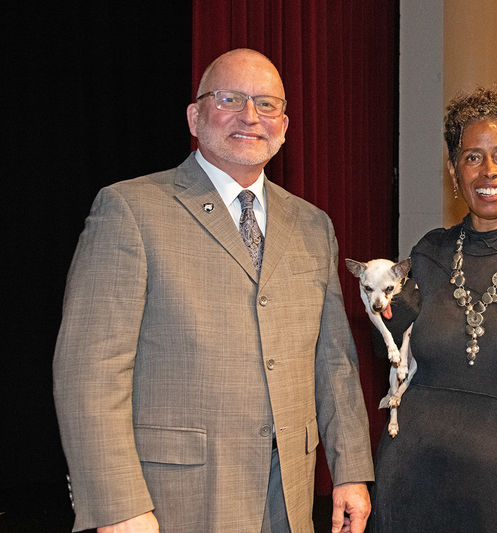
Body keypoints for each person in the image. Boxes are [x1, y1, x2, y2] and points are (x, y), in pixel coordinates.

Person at [53, 48, 373, 533]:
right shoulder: (130, 210)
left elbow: (333, 361)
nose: (250, 116)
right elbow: (90, 372)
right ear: (195, 116)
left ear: (284, 126)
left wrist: (349, 471)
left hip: (286, 495)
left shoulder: (313, 225)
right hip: (174, 501)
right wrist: (117, 505)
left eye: (266, 104)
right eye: (230, 99)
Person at [368, 84, 497, 532]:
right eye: (472, 157)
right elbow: (389, 353)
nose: (489, 171)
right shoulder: (428, 253)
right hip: (416, 483)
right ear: (453, 171)